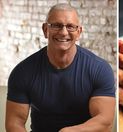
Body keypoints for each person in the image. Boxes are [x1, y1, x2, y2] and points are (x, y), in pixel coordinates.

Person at [5, 3, 116, 132]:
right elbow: (14, 123)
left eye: (70, 27)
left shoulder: (99, 69)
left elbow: (105, 121)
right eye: (56, 26)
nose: (63, 32)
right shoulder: (23, 72)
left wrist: (68, 131)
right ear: (45, 30)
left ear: (79, 32)